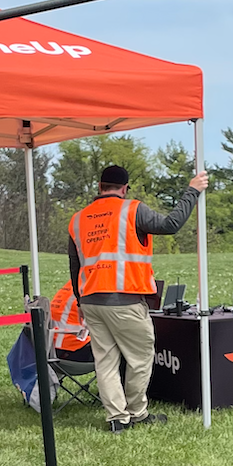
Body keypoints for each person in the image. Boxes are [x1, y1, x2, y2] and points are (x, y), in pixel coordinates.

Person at [66, 162, 207, 432]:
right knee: (141, 356)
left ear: (99, 187)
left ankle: (117, 417)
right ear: (125, 187)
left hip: (91, 301)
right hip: (125, 299)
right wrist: (192, 191)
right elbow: (171, 224)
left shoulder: (78, 219)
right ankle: (137, 411)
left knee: (105, 361)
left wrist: (80, 301)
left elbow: (75, 265)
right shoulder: (132, 210)